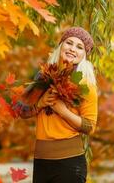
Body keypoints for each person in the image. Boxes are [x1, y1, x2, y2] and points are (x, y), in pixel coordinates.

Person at [13, 27, 98, 183]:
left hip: (70, 164)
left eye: (79, 47)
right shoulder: (44, 76)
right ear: (61, 45)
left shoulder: (86, 84)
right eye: (69, 43)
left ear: (84, 54)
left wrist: (62, 111)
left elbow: (89, 127)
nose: (73, 49)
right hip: (41, 161)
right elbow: (20, 110)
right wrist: (40, 103)